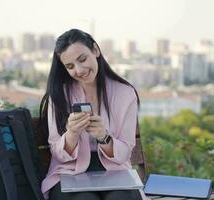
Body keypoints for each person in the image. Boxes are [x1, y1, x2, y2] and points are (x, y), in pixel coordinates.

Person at [39, 29, 143, 200]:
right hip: (69, 172)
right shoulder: (58, 95)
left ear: (95, 50)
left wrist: (103, 137)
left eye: (82, 59)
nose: (79, 70)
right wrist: (71, 134)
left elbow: (125, 152)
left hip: (114, 170)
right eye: (70, 66)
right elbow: (57, 152)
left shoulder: (125, 94)